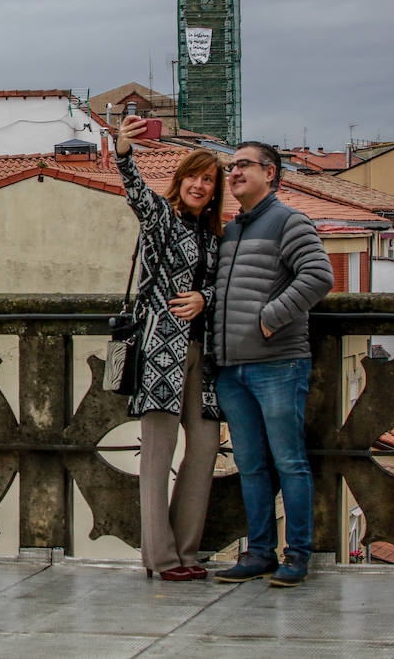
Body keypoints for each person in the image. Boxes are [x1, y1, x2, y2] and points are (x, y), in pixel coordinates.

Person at [210, 141, 333, 588]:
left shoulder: (289, 221)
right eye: (231, 166)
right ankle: (259, 551)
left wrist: (269, 320)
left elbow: (319, 277)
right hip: (233, 368)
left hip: (278, 363)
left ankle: (296, 555)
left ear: (271, 173)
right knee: (252, 465)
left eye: (243, 165)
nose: (234, 172)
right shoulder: (232, 230)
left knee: (289, 462)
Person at [115, 116, 225, 581]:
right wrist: (123, 150)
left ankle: (187, 551)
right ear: (179, 180)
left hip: (204, 354)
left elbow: (225, 287)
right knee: (157, 456)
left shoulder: (215, 236)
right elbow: (134, 188)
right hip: (161, 349)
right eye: (194, 177)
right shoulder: (162, 216)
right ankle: (160, 558)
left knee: (202, 451)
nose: (200, 185)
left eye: (208, 180)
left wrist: (207, 298)